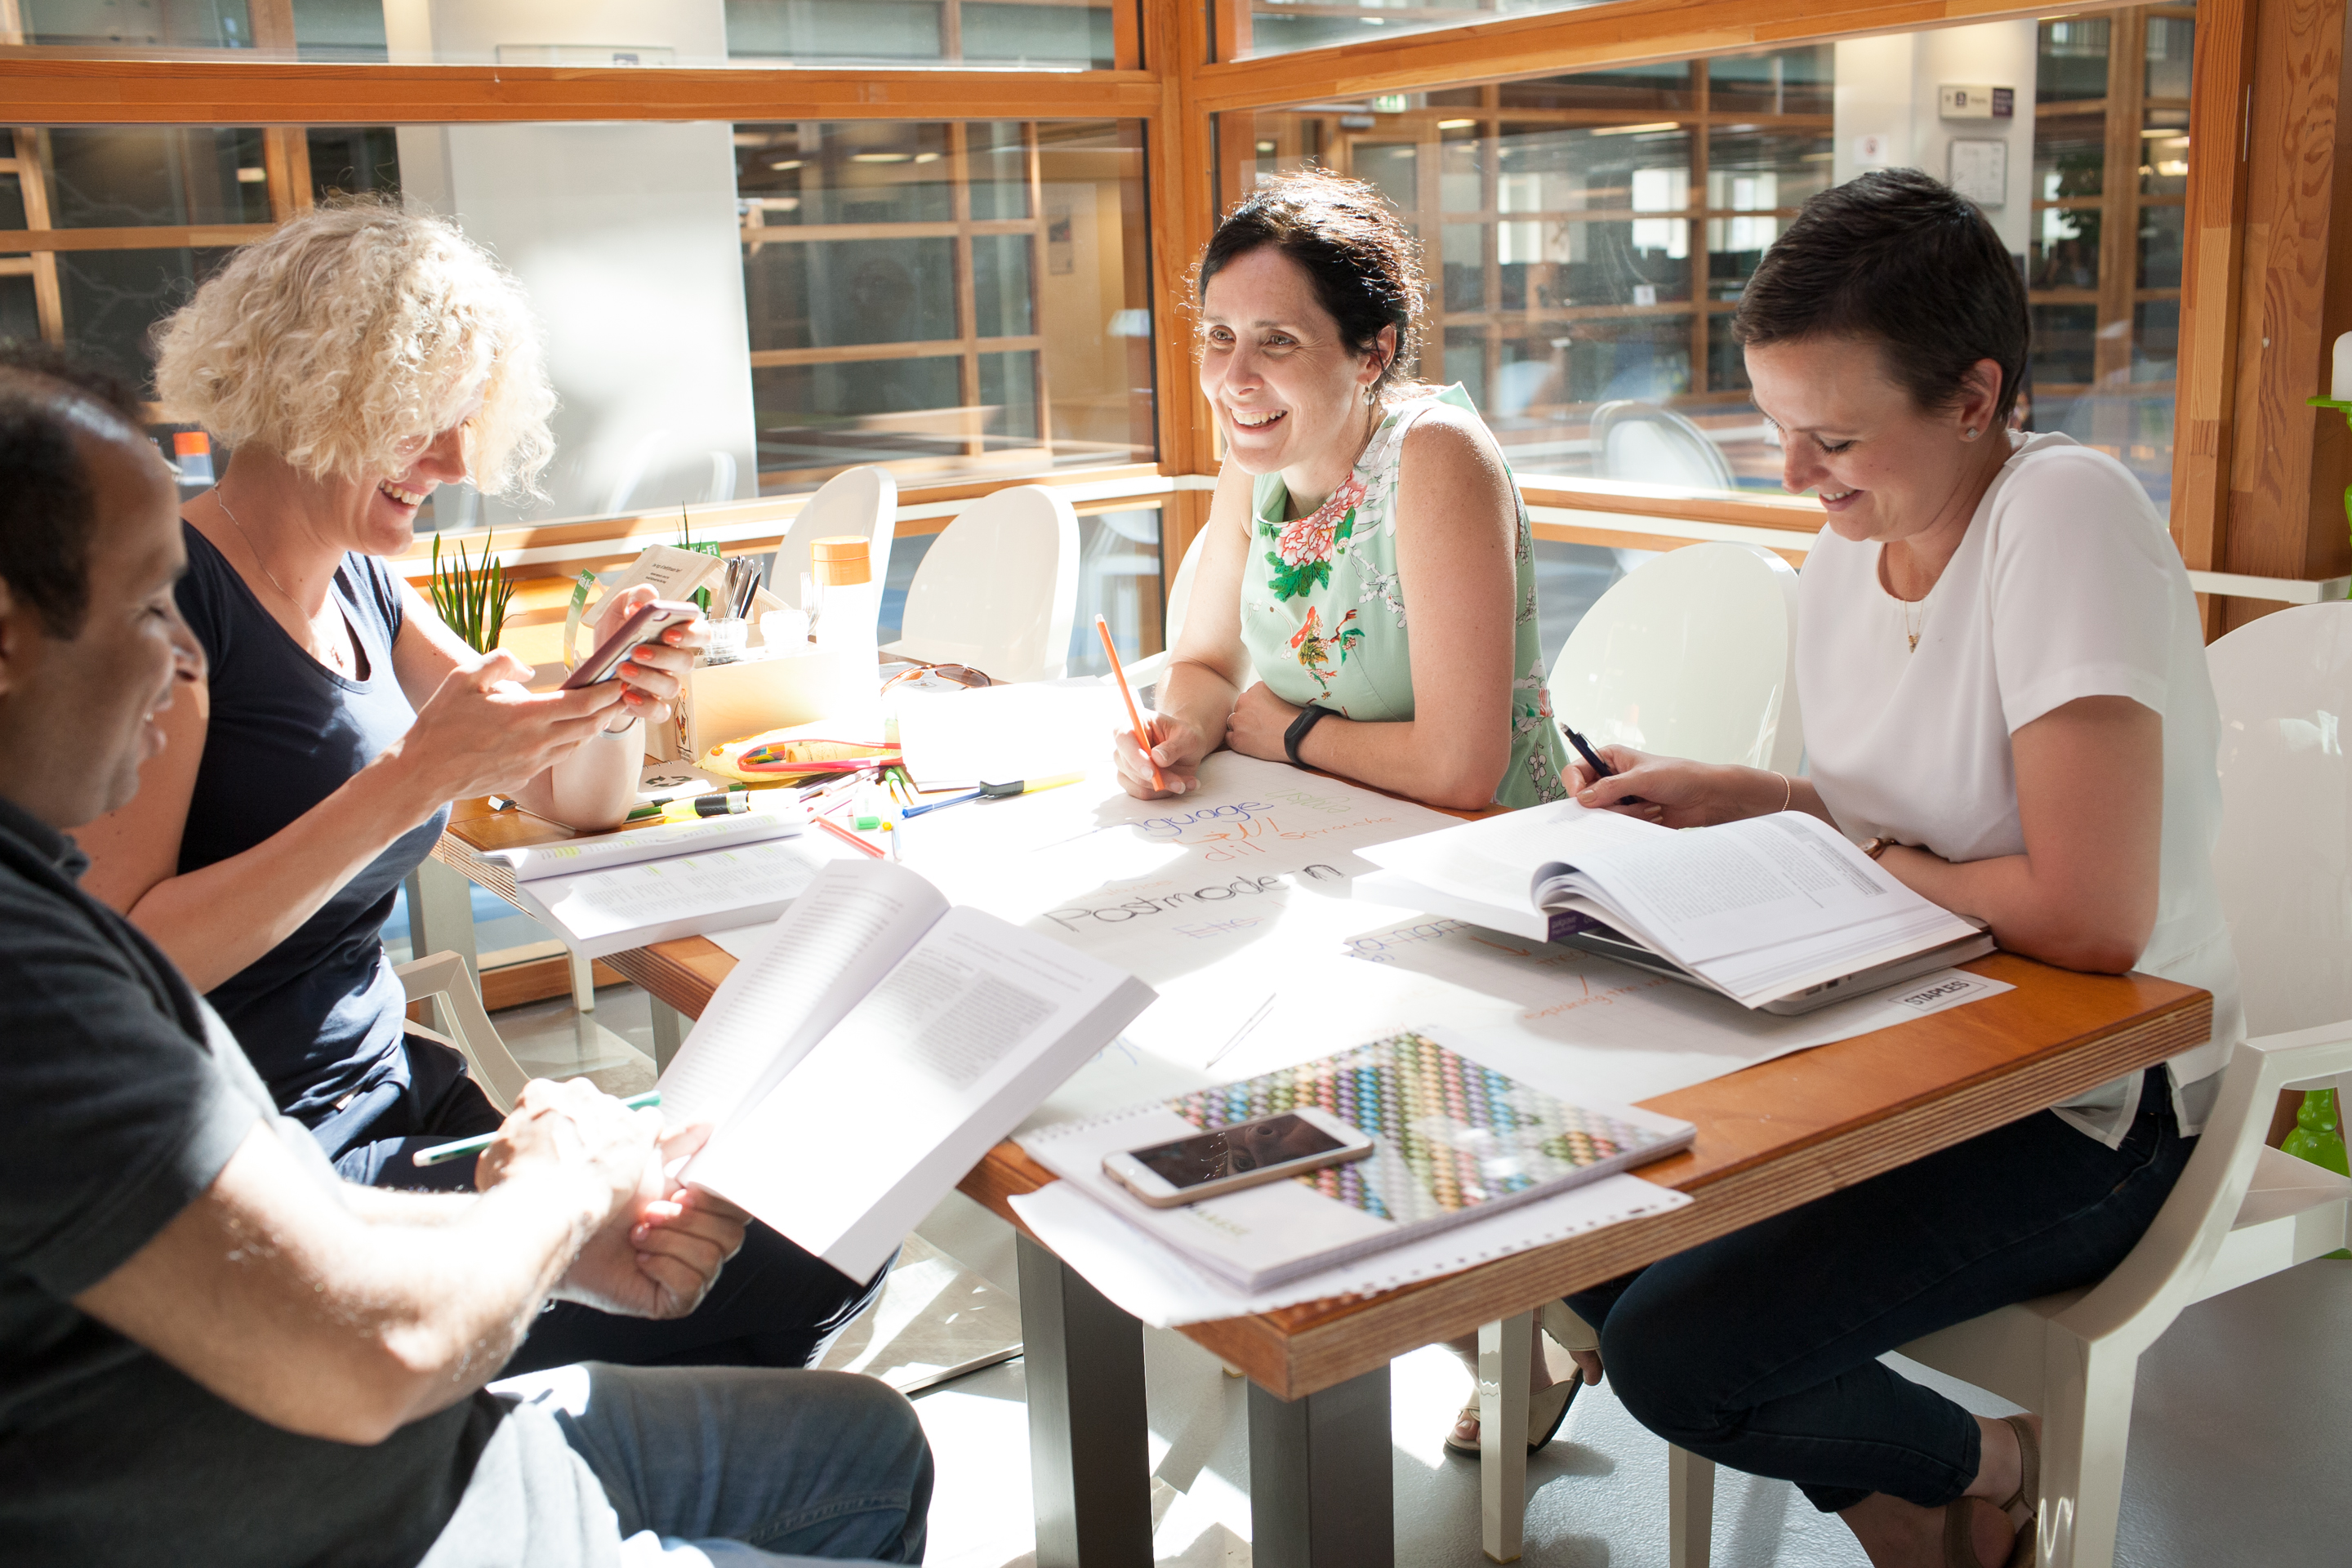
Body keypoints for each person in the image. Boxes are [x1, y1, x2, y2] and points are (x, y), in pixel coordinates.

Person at [0, 368, 931, 1567]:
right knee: (835, 1417)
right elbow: (370, 1349)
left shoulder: (50, 913)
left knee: (858, 1419)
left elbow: (552, 790)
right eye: (146, 609)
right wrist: (549, 1206)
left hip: (376, 1291)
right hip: (381, 1494)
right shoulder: (41, 989)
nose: (184, 662)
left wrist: (542, 1224)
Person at [65, 203, 885, 1374]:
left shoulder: (365, 585)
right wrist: (411, 779)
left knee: (816, 1228)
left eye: (466, 428)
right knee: (762, 1265)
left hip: (402, 1099)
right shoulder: (182, 609)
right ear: (313, 394)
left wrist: (611, 692)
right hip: (282, 1169)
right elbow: (127, 961)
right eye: (421, 426)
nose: (455, 466)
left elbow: (574, 798)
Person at [1556, 170, 2242, 1568]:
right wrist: (1753, 799)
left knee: (1675, 1353)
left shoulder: (2066, 517)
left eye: (1833, 437)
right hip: (1916, 1057)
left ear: (1977, 398)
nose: (1797, 477)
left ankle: (1981, 1465)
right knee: (1573, 1235)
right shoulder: (1847, 555)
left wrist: (1847, 848)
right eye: (1775, 431)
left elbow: (2088, 918)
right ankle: (1921, 1499)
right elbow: (1926, 831)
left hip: (2099, 1113)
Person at [1113, 168, 1573, 813]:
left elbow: (1461, 768)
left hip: (1488, 852)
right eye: (1221, 336)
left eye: (1278, 341)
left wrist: (1294, 735)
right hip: (1328, 827)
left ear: (1373, 353)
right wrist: (1180, 731)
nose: (1234, 379)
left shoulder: (1438, 455)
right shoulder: (1251, 468)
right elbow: (1208, 668)